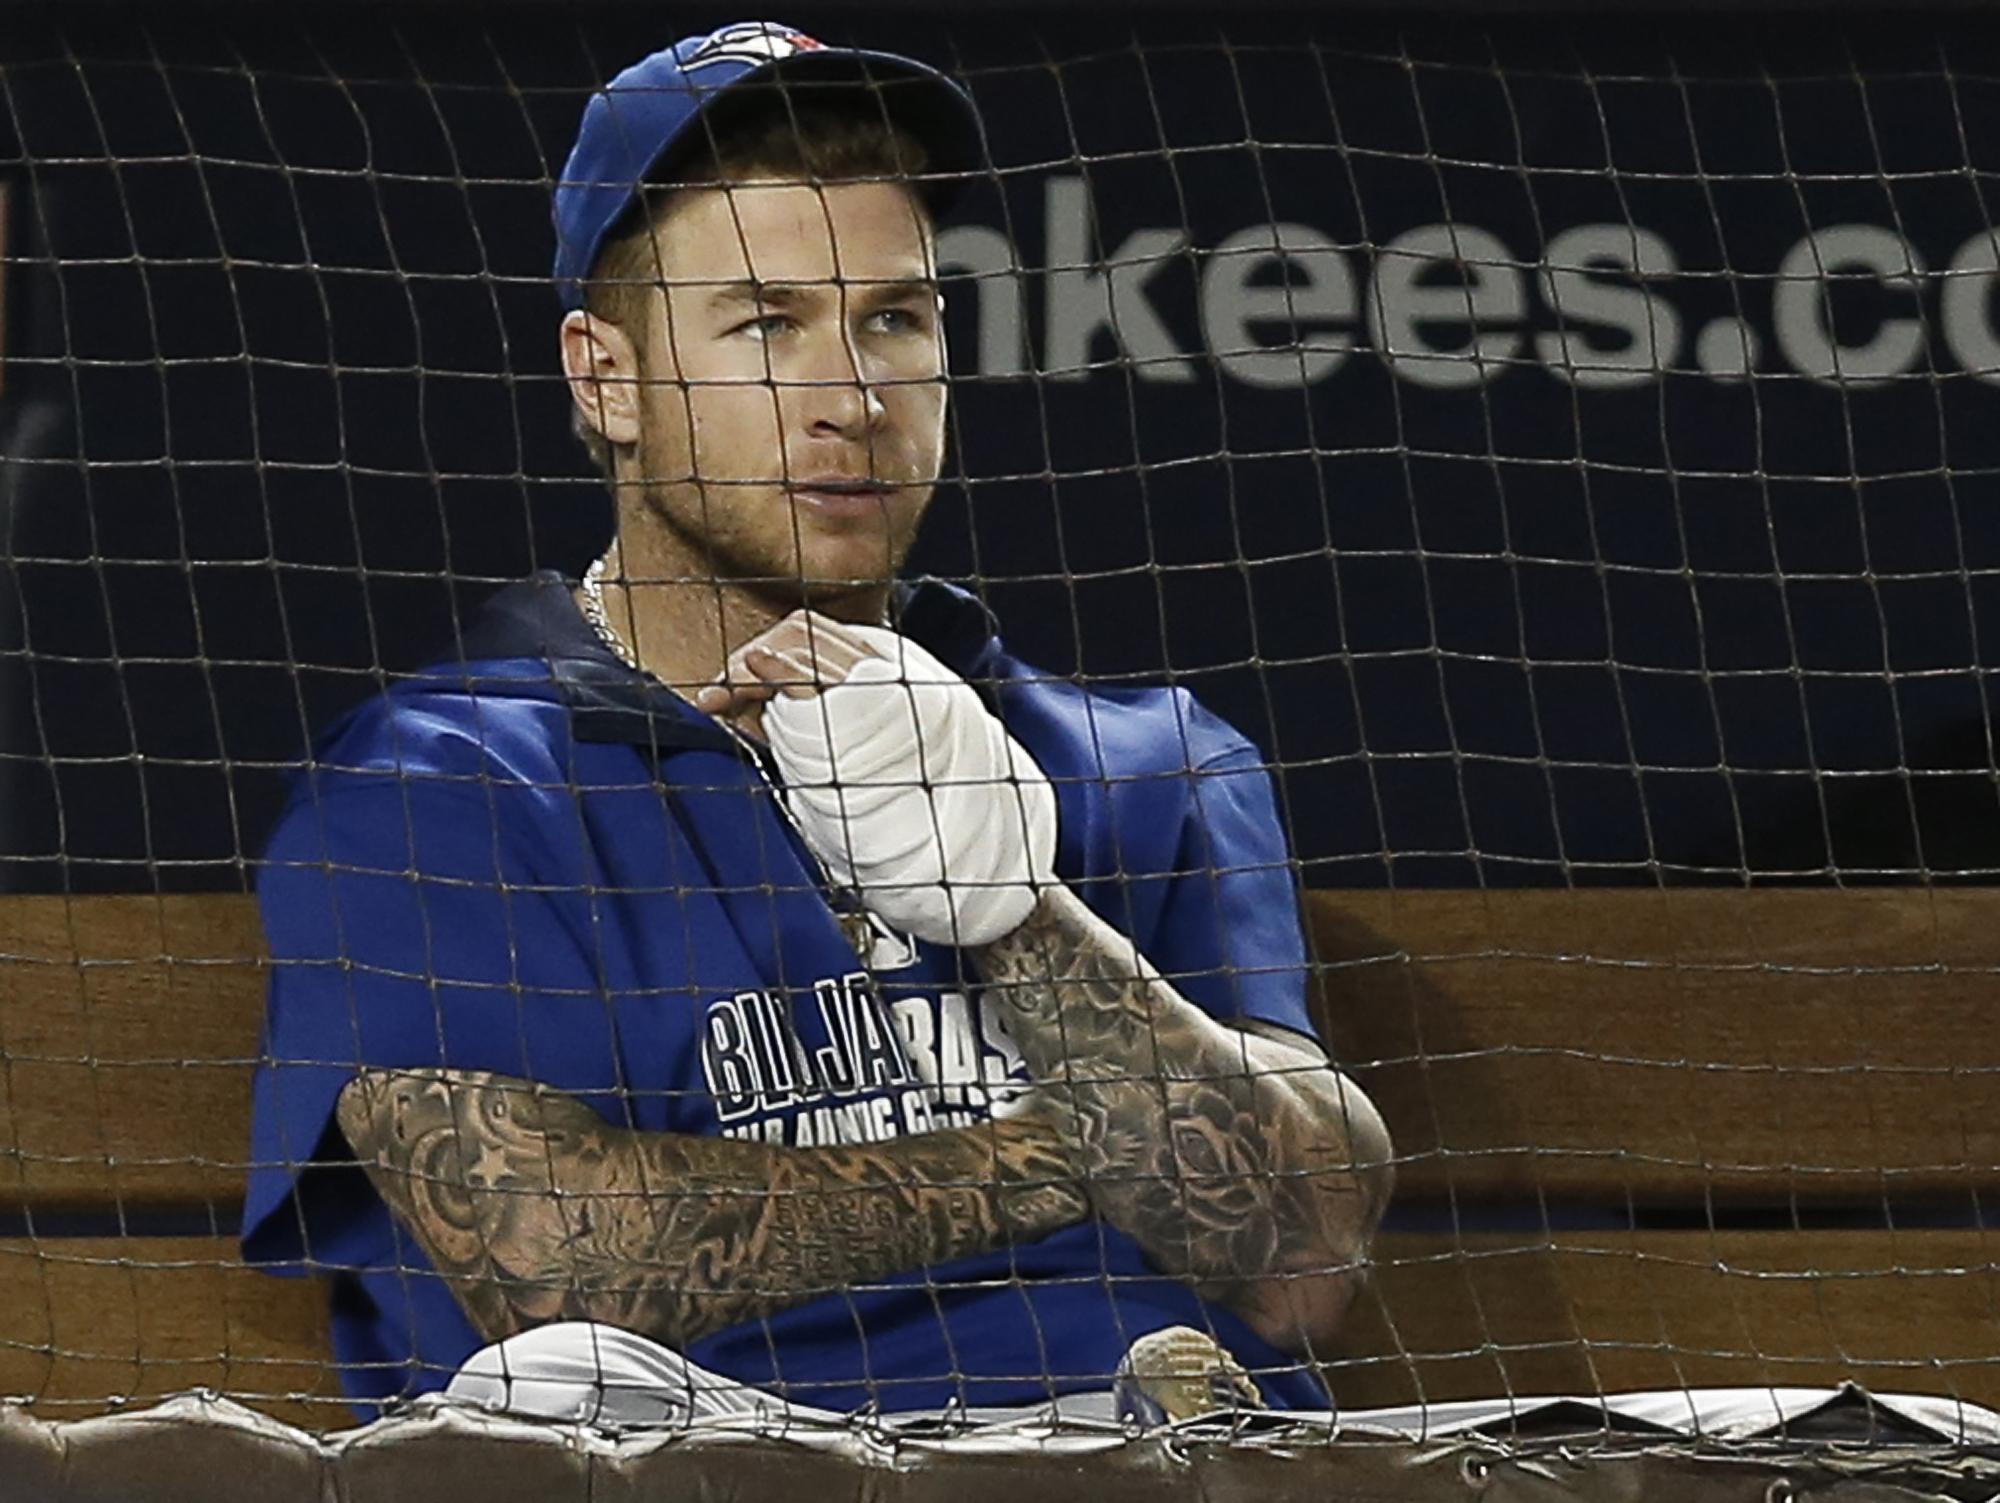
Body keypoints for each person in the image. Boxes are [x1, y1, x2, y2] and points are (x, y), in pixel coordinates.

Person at [241, 20, 1391, 1424]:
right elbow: (561, 1264)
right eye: (766, 324)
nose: (852, 399)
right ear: (606, 380)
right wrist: (1107, 1146)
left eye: (896, 318)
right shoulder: (439, 786)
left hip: (1149, 1451)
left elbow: (1301, 1262)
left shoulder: (1147, 759)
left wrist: (1017, 908)